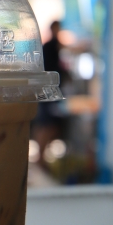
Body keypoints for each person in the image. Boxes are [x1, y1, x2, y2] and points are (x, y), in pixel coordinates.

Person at [31, 21, 69, 162]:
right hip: (49, 91)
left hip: (47, 90)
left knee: (45, 124)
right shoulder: (51, 46)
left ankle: (41, 156)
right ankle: (41, 156)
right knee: (48, 125)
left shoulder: (50, 46)